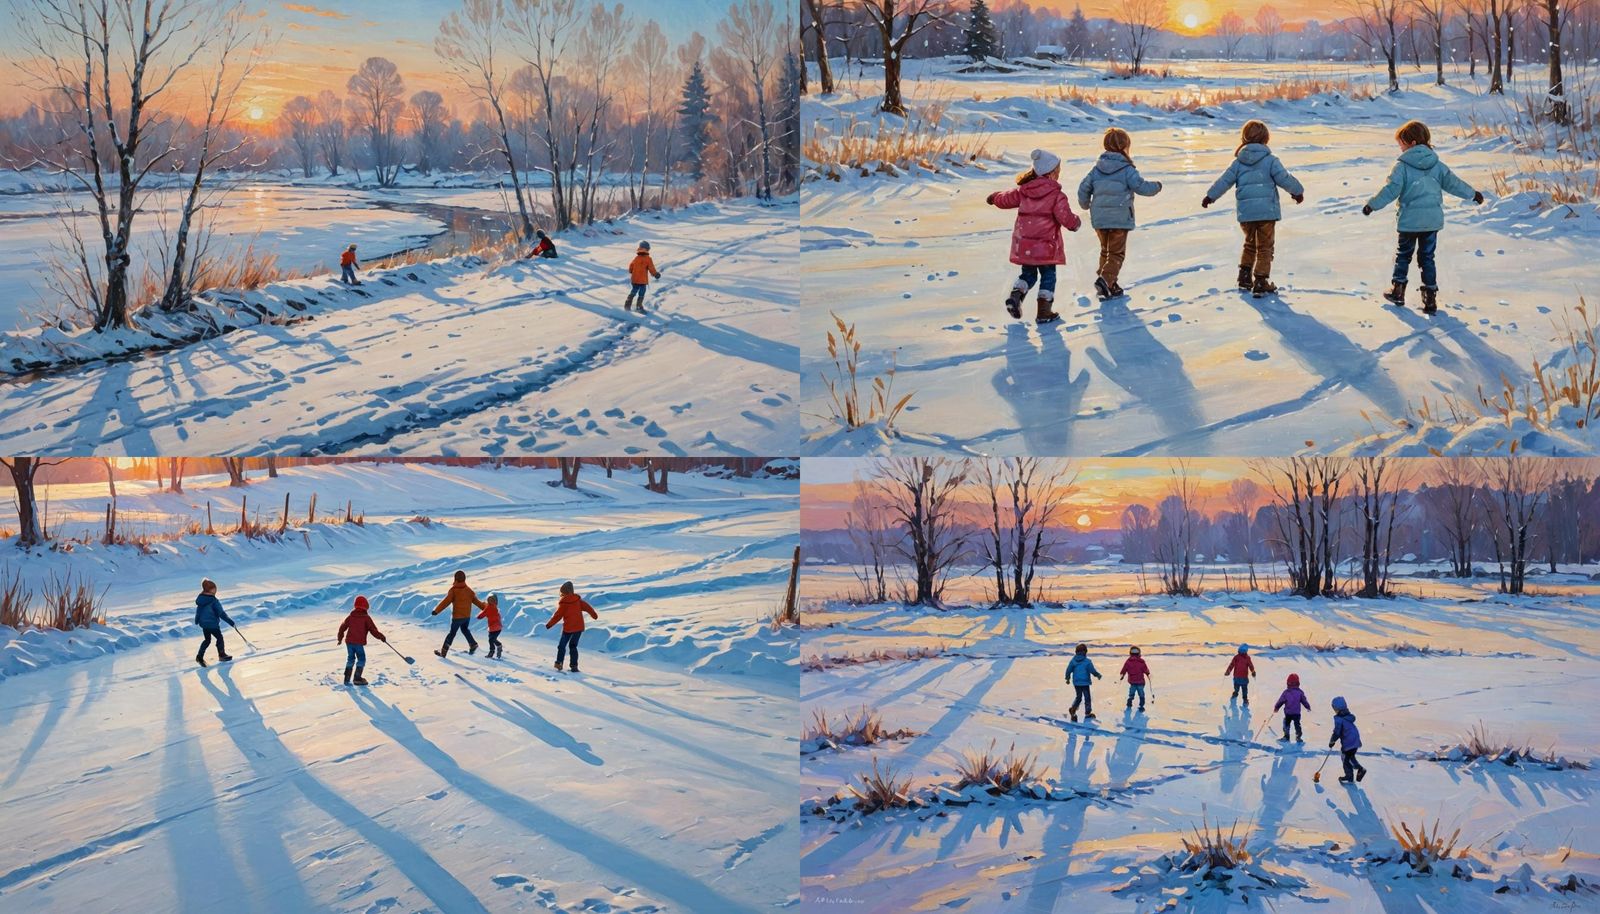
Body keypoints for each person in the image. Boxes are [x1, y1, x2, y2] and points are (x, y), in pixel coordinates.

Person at [1362, 119, 1483, 314]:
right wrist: (1472, 194)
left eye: (1401, 143)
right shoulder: (1437, 165)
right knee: (1427, 258)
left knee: (1403, 256)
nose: (1400, 148)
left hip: (1409, 222)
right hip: (1431, 222)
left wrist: (1372, 205)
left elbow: (1391, 189)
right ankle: (1430, 298)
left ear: (1412, 143)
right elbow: (1454, 183)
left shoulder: (1401, 167)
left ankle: (1398, 291)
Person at [1202, 119, 1305, 298]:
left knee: (1250, 244)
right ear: (1265, 138)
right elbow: (1284, 178)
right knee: (1265, 247)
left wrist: (1210, 196)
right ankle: (1260, 281)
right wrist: (1297, 192)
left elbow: (1224, 181)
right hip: (1266, 213)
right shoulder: (1270, 160)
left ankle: (1244, 277)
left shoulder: (1238, 162)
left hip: (1247, 213)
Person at [987, 147, 1082, 325]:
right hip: (1046, 246)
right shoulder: (1056, 195)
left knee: (1028, 274)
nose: (1059, 173)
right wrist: (1075, 223)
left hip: (1025, 244)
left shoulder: (1024, 191)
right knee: (1048, 276)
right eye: (1058, 170)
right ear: (1052, 172)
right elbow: (1065, 216)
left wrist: (995, 197)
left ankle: (1016, 296)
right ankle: (1044, 312)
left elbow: (1006, 198)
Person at [1077, 127, 1163, 300]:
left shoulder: (1096, 169)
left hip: (1100, 219)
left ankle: (1109, 284)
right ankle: (1106, 280)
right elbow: (1141, 187)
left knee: (1105, 251)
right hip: (1120, 218)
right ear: (1125, 147)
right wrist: (1157, 186)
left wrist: (1086, 204)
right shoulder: (1127, 170)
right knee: (1116, 254)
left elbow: (1083, 189)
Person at [545, 581, 597, 672]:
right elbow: (588, 608)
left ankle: (559, 663)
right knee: (573, 646)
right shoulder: (578, 601)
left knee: (562, 646)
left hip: (568, 629)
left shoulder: (564, 604)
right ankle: (574, 666)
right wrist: (594, 615)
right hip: (578, 628)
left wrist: (549, 624)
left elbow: (557, 616)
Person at [431, 570, 485, 657]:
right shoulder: (469, 590)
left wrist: (436, 611)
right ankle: (473, 644)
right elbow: (477, 602)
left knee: (452, 633)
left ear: (455, 579)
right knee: (464, 629)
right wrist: (486, 608)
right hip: (466, 617)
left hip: (457, 618)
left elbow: (446, 602)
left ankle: (443, 653)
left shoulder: (453, 591)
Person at [337, 595, 387, 685]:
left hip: (349, 642)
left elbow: (342, 627)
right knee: (361, 659)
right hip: (358, 643)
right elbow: (373, 630)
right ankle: (357, 678)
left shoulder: (351, 616)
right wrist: (381, 637)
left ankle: (346, 678)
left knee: (350, 658)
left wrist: (340, 638)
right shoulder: (366, 618)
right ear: (365, 606)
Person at [194, 578, 233, 667]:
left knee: (207, 640)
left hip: (204, 624)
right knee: (219, 638)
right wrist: (231, 622)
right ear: (210, 590)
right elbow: (221, 613)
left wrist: (197, 620)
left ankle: (199, 657)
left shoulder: (201, 599)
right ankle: (222, 655)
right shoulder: (214, 601)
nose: (215, 590)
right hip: (212, 624)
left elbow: (198, 611)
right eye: (214, 589)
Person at [1328, 695, 1368, 784]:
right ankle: (1351, 776)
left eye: (1334, 708)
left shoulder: (1339, 719)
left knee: (1346, 759)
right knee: (1349, 757)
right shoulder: (1348, 716)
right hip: (1354, 739)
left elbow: (1337, 732)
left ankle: (1359, 770)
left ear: (1337, 709)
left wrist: (1332, 741)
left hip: (1349, 742)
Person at [1064, 642, 1102, 722]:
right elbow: (1092, 670)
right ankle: (1087, 713)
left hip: (1077, 683)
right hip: (1085, 683)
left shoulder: (1073, 661)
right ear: (1085, 652)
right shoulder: (1087, 661)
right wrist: (1097, 675)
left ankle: (1073, 709)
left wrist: (1067, 678)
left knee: (1079, 697)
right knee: (1087, 697)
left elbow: (1068, 670)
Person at [624, 241, 661, 312]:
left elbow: (631, 266)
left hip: (634, 279)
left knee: (634, 291)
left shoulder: (636, 258)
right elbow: (651, 268)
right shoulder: (648, 259)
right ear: (646, 249)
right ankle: (639, 306)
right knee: (642, 292)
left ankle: (627, 305)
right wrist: (655, 274)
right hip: (642, 280)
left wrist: (631, 271)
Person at [1274, 672, 1310, 742]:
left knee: (1286, 724)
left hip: (1288, 713)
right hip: (1296, 713)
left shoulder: (1286, 692)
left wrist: (1276, 707)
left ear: (1288, 683)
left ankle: (1286, 737)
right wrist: (1307, 707)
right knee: (1297, 724)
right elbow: (1304, 700)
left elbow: (1281, 701)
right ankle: (1298, 737)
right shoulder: (1300, 692)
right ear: (1298, 683)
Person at [1118, 644, 1151, 713]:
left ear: (1130, 653)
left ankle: (1130, 700)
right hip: (1140, 682)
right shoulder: (1141, 661)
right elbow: (1145, 669)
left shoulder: (1128, 661)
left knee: (1131, 692)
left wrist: (1122, 675)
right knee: (1141, 694)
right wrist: (1148, 674)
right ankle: (1141, 706)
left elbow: (1124, 669)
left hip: (1132, 681)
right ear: (1139, 653)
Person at [479, 593, 504, 660]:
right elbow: (485, 610)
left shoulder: (491, 608)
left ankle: (491, 652)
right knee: (492, 639)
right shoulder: (491, 607)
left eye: (492, 600)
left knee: (491, 640)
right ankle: (499, 646)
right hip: (492, 628)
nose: (490, 602)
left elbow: (483, 614)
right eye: (489, 600)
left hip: (497, 628)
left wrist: (479, 616)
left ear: (495, 601)